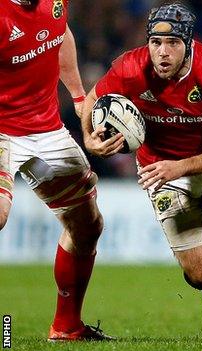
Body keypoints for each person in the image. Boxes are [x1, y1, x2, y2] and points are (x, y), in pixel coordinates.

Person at [81, 3, 202, 342]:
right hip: (161, 172)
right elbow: (94, 98)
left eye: (172, 44)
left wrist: (181, 166)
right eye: (155, 43)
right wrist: (89, 138)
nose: (162, 53)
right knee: (198, 273)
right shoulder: (130, 67)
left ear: (189, 44)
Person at [0, 0, 113, 341]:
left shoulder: (55, 2)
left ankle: (66, 327)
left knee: (87, 225)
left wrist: (79, 99)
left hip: (46, 132)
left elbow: (58, 33)